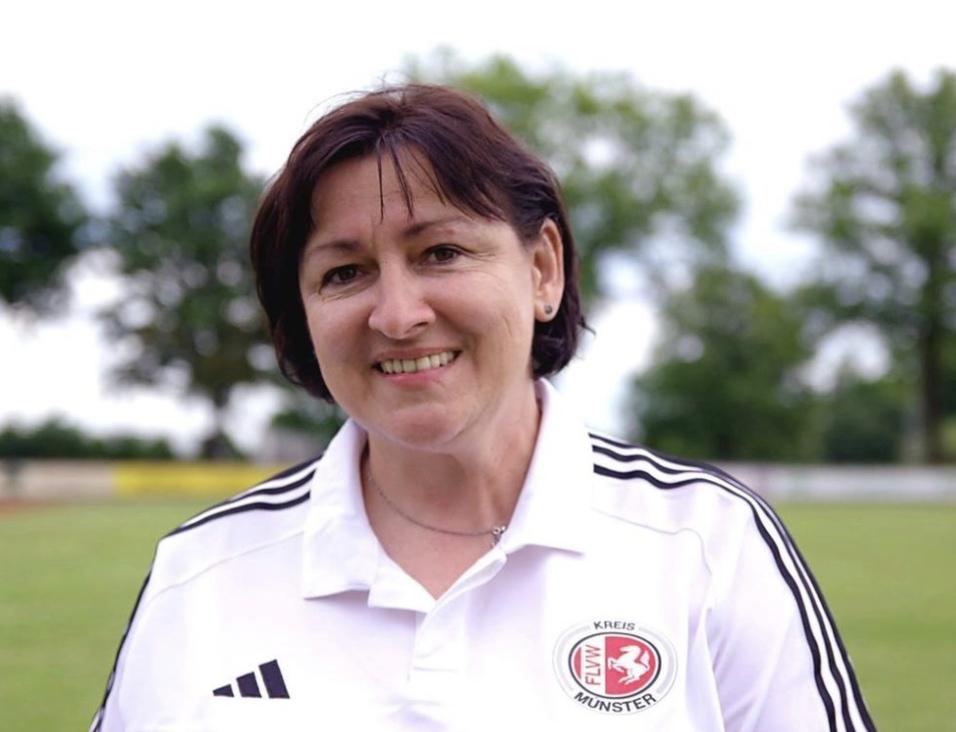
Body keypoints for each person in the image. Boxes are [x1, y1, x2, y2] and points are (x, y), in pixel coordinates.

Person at [90, 84, 875, 731]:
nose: (396, 315)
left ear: (542, 269)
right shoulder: (201, 576)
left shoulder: (707, 545)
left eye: (441, 253)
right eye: (344, 273)